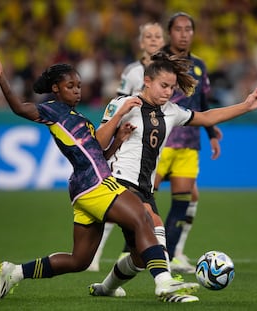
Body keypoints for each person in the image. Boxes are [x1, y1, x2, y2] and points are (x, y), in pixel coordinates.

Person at [0, 51, 200, 303]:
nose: (77, 90)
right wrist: (1, 76)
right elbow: (19, 107)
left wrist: (119, 141)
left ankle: (15, 272)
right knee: (143, 217)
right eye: (70, 86)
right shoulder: (52, 111)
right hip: (95, 184)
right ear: (55, 89)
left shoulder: (78, 118)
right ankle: (163, 281)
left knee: (79, 260)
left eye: (79, 86)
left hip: (83, 188)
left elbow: (99, 155)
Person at [89, 51, 257, 300]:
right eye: (163, 86)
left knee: (140, 257)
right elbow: (97, 143)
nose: (168, 92)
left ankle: (106, 288)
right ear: (148, 81)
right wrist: (119, 115)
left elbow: (206, 117)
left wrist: (246, 106)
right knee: (154, 223)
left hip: (144, 188)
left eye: (172, 88)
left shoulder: (172, 111)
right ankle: (165, 284)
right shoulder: (123, 104)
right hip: (118, 182)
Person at [87, 22, 166, 272]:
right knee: (128, 206)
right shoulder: (133, 72)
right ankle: (97, 257)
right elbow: (119, 103)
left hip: (152, 146)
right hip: (129, 144)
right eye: (148, 37)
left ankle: (128, 263)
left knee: (140, 211)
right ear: (141, 43)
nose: (153, 40)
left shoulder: (168, 71)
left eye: (157, 36)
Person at [153, 12, 222, 273]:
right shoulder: (159, 61)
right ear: (170, 32)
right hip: (159, 140)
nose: (183, 34)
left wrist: (212, 133)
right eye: (178, 29)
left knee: (181, 203)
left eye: (188, 29)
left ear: (193, 33)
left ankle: (167, 261)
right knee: (143, 198)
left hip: (189, 144)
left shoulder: (199, 66)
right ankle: (136, 249)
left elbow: (202, 104)